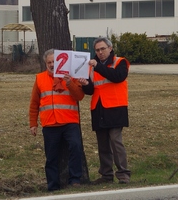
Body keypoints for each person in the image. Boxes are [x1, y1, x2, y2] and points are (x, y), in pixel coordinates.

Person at [29, 49, 85, 191]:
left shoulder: (71, 76)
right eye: (49, 62)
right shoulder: (40, 78)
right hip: (49, 124)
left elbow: (79, 96)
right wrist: (33, 123)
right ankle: (53, 186)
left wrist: (69, 83)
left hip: (69, 122)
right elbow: (34, 103)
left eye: (55, 61)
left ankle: (75, 179)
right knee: (51, 157)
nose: (52, 64)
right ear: (45, 63)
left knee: (76, 147)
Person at [78, 37, 131, 185]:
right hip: (98, 107)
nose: (100, 52)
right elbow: (91, 90)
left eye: (102, 49)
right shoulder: (90, 66)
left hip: (115, 107)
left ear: (110, 48)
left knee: (115, 141)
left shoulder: (120, 62)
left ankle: (123, 174)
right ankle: (106, 175)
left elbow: (117, 77)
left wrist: (98, 67)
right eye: (97, 50)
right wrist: (85, 84)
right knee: (102, 144)